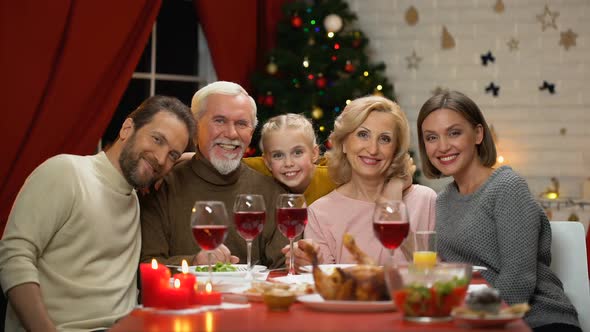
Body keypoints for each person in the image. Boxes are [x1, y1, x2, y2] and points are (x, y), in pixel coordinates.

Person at [0, 95, 195, 332]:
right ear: (127, 128)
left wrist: (192, 158)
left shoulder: (135, 198)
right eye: (157, 139)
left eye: (173, 154)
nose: (161, 157)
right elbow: (14, 257)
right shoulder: (67, 173)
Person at [417, 90, 580, 331]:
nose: (442, 146)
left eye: (454, 133)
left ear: (478, 134)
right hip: (478, 319)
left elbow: (517, 282)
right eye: (431, 137)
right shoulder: (442, 201)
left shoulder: (507, 187)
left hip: (539, 320)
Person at [139, 81, 289, 269]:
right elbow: (145, 268)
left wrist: (301, 261)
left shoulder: (274, 194)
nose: (231, 133)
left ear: (251, 132)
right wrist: (193, 263)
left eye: (242, 123)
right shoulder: (161, 188)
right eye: (219, 120)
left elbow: (286, 272)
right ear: (194, 126)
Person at [304, 95, 437, 265]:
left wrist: (392, 203)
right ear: (344, 142)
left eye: (385, 139)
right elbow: (327, 286)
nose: (373, 149)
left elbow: (434, 274)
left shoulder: (424, 201)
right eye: (363, 135)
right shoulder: (319, 214)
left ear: (395, 150)